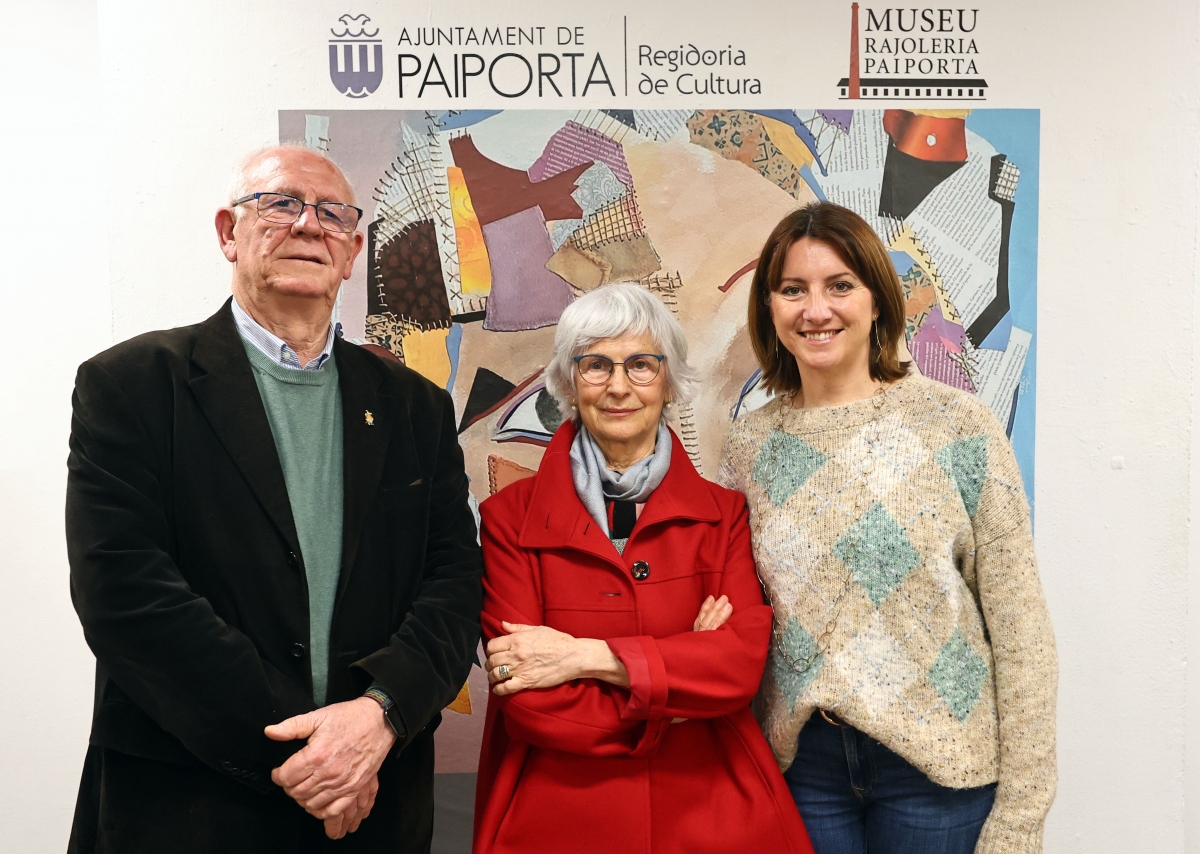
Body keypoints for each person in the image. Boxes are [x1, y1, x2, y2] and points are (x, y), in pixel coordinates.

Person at [66, 145, 483, 853]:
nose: (308, 226)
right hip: (189, 805)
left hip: (371, 801)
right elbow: (126, 594)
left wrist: (377, 718)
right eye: (282, 203)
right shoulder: (131, 385)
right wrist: (314, 755)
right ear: (229, 232)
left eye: (331, 214)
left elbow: (453, 584)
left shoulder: (414, 407)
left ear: (352, 253)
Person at [718, 201, 1057, 854]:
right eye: (793, 290)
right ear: (770, 308)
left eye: (839, 285)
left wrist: (1022, 815)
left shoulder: (956, 424)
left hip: (938, 769)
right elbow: (747, 612)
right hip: (803, 768)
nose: (816, 310)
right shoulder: (750, 448)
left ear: (878, 298)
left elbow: (1021, 628)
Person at [473, 283, 814, 854]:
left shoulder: (724, 514)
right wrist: (676, 692)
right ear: (567, 380)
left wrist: (583, 658)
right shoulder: (508, 518)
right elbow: (528, 700)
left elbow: (736, 670)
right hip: (557, 817)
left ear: (669, 379)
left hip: (712, 813)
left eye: (640, 365)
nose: (619, 386)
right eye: (596, 365)